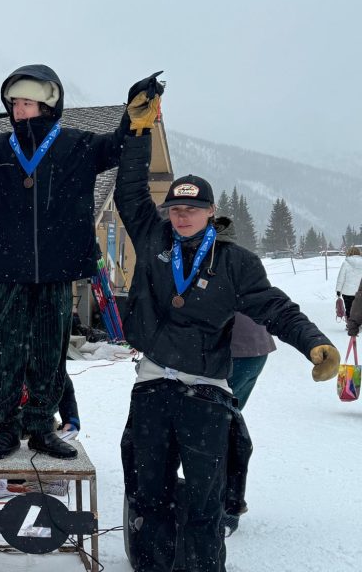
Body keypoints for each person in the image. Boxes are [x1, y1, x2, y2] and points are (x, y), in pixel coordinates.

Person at [113, 85, 340, 571]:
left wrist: (315, 343)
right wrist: (137, 130)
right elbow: (129, 189)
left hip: (206, 395)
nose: (182, 216)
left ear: (210, 212)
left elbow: (275, 308)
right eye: (175, 208)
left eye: (192, 209)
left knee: (202, 505)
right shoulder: (153, 236)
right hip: (153, 386)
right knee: (146, 496)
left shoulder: (236, 263)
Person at [0, 65, 158, 460]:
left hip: (58, 271)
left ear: (49, 103)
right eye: (16, 103)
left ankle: (41, 426)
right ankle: (5, 427)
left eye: (28, 103)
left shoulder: (76, 144)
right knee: (3, 352)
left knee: (49, 353)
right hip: (8, 270)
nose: (20, 110)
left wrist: (135, 116)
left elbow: (121, 145)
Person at [336, 246, 362, 318]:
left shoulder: (346, 263)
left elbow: (341, 278)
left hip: (347, 292)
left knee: (349, 309)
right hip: (360, 292)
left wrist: (338, 290)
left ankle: (350, 325)